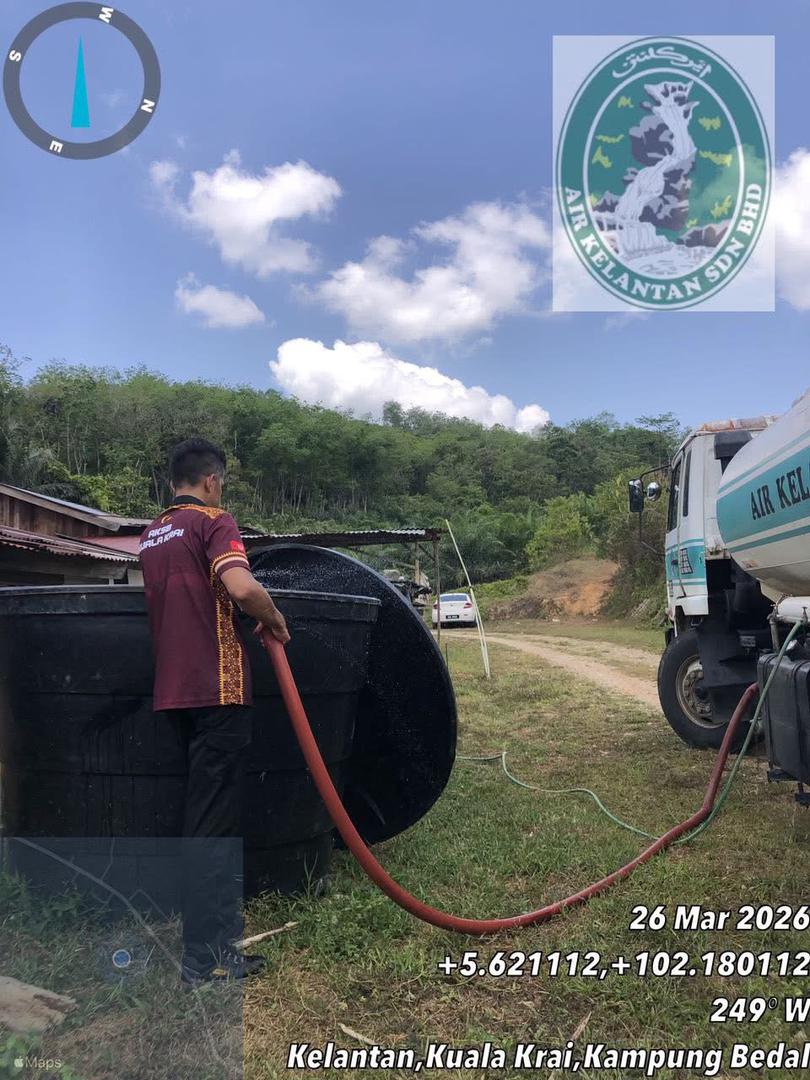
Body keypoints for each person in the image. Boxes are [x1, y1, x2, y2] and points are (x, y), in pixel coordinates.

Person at [138, 437, 290, 986]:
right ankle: (204, 959)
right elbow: (242, 587)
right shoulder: (213, 521)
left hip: (174, 692)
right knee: (212, 827)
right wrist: (274, 619)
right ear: (211, 481)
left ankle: (212, 943)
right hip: (219, 691)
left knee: (203, 820)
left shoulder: (152, 534)